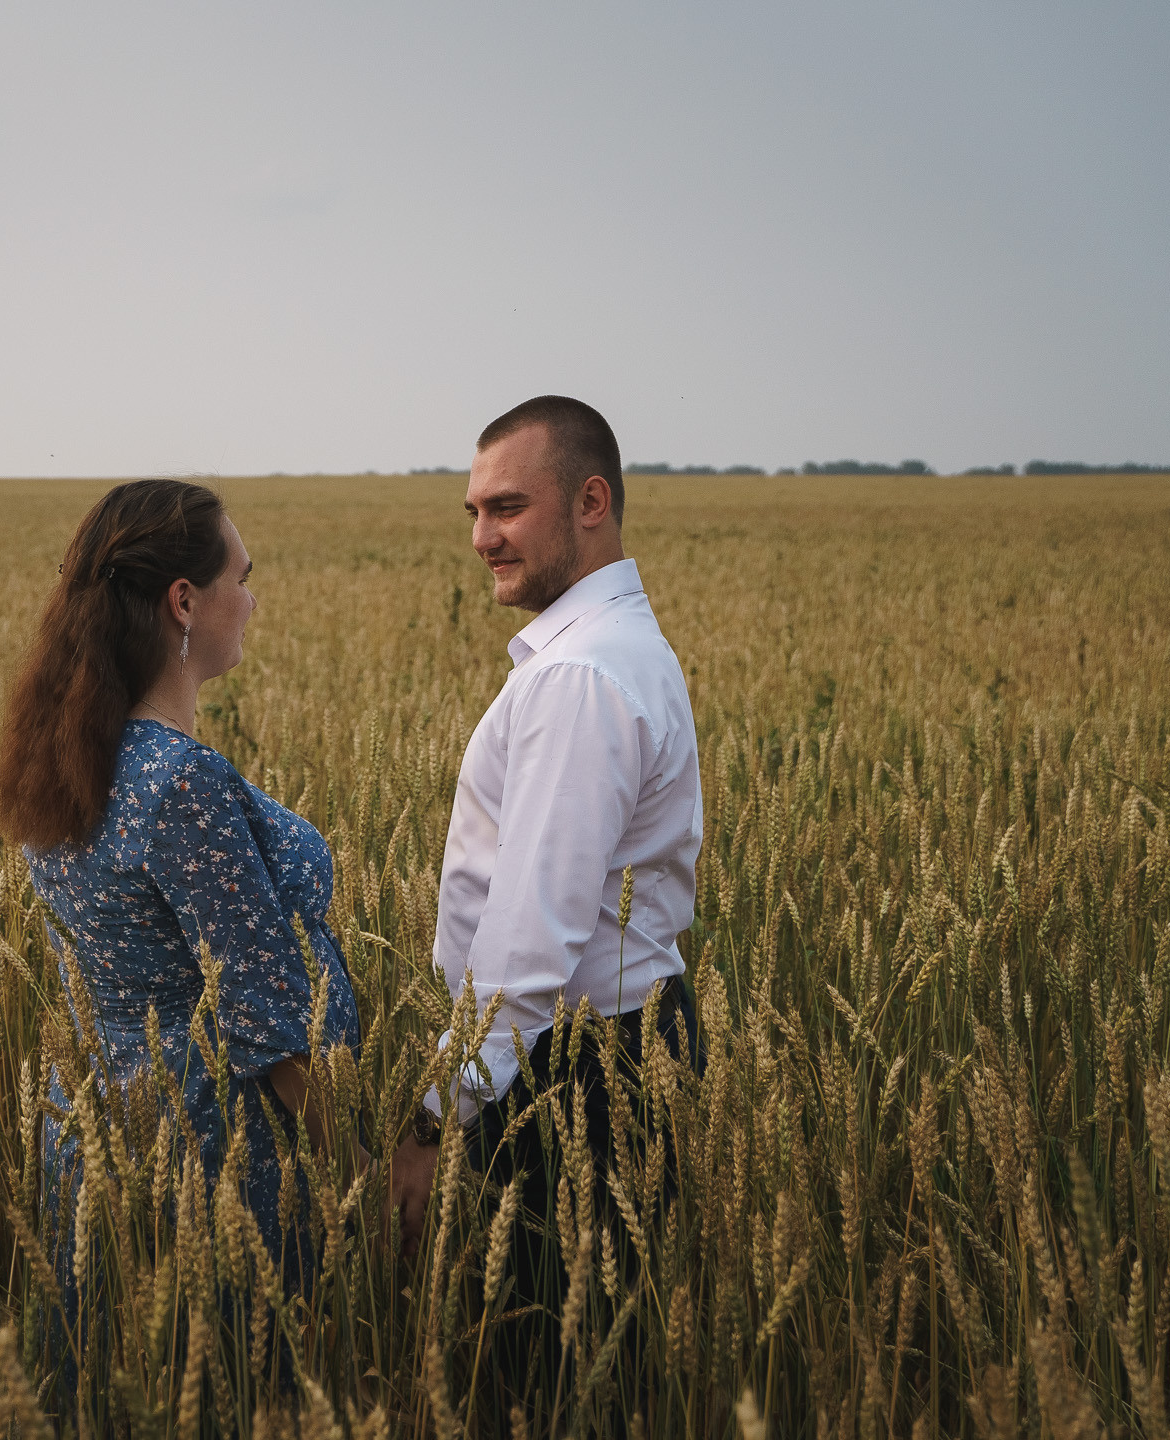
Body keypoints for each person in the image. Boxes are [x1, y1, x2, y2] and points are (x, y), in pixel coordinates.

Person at [0, 479, 363, 1378]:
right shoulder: (179, 782)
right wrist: (356, 1168)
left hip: (102, 1124)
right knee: (226, 1386)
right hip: (217, 1157)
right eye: (243, 574)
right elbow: (267, 1021)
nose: (254, 597)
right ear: (184, 601)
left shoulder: (73, 755)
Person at [387, 396, 704, 1419]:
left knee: (550, 1385)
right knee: (592, 1369)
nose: (483, 538)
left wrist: (438, 1118)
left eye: (510, 508)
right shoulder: (609, 653)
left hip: (574, 1071)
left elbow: (531, 937)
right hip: (595, 1050)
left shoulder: (579, 678)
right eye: (474, 511)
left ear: (592, 502)